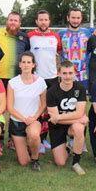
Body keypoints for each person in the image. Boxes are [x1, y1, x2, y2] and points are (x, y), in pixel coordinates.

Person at [46, 60, 89, 175]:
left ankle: (76, 163)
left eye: (70, 73)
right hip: (57, 126)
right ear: (58, 74)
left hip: (71, 124)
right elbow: (54, 120)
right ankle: (69, 147)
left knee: (79, 128)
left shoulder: (80, 88)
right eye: (64, 73)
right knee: (60, 162)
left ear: (75, 73)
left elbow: (78, 113)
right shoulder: (51, 92)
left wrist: (60, 117)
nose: (67, 76)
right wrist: (79, 119)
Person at [28, 10, 61, 152]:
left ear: (49, 21)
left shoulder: (55, 37)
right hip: (36, 78)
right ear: (36, 21)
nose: (43, 22)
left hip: (52, 78)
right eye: (40, 19)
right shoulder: (30, 36)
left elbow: (59, 52)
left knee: (50, 110)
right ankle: (38, 139)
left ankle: (47, 138)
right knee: (38, 110)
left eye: (46, 19)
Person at [7, 52, 47, 171]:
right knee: (23, 162)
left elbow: (44, 104)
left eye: (29, 62)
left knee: (34, 135)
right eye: (23, 62)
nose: (26, 65)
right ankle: (26, 147)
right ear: (19, 65)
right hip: (17, 122)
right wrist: (24, 119)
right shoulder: (12, 82)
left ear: (33, 65)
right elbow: (10, 107)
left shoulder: (41, 82)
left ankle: (35, 159)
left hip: (33, 120)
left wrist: (34, 118)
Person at [58, 8, 96, 89]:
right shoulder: (60, 34)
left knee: (82, 99)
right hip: (66, 74)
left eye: (78, 18)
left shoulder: (87, 32)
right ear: (68, 18)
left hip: (83, 75)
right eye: (73, 18)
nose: (75, 21)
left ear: (81, 19)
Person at [0, 11, 30, 89]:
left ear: (20, 23)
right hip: (0, 78)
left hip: (18, 78)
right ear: (7, 21)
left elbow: (27, 55)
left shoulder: (25, 37)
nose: (13, 22)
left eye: (15, 21)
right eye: (11, 20)